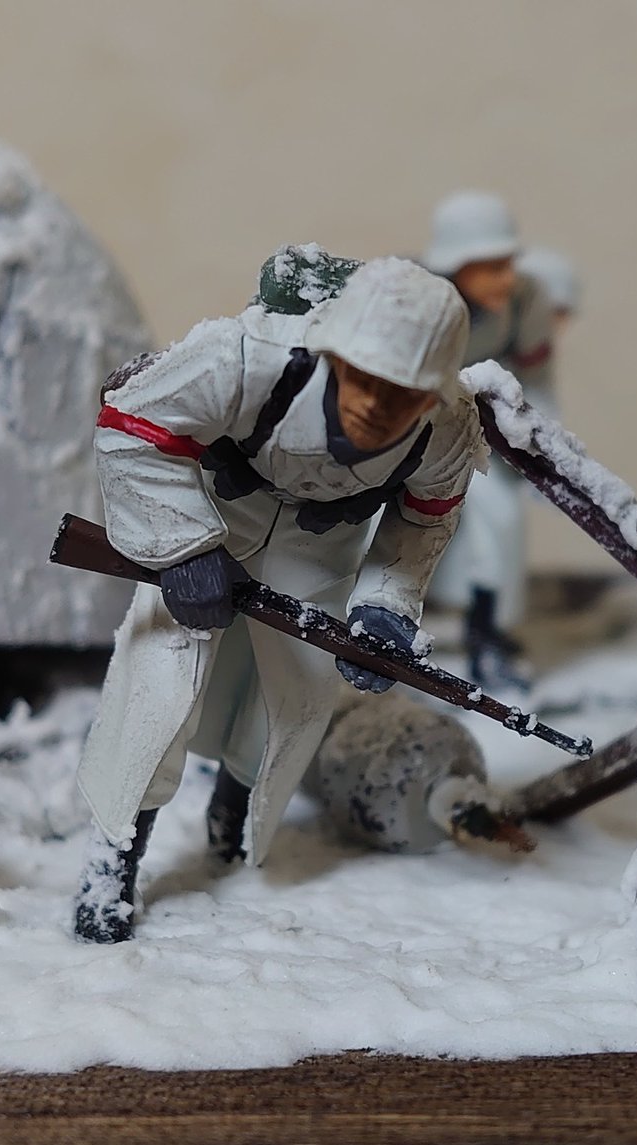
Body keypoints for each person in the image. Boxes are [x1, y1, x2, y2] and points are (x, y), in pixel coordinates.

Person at [73, 256, 485, 943]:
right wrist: (183, 548)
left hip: (323, 548)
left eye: (404, 393)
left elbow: (425, 519)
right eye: (364, 378)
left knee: (288, 695)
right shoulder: (243, 358)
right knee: (157, 688)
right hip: (215, 512)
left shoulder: (448, 431)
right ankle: (112, 858)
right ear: (334, 355)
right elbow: (130, 425)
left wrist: (385, 608)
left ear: (432, 395)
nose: (376, 405)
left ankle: (231, 817)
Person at [422, 192, 557, 692]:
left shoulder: (526, 300)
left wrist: (543, 449)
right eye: (489, 267)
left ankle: (485, 633)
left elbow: (537, 379)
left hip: (481, 435)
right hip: (409, 434)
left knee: (499, 523)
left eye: (508, 264)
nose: (504, 278)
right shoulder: (420, 297)